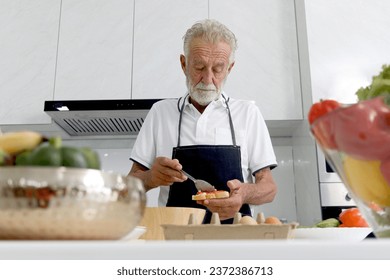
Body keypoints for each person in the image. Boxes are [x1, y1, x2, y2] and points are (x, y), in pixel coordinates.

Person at [128, 19, 278, 224]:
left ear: (230, 68)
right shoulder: (160, 112)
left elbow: (268, 188)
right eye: (199, 67)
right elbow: (127, 186)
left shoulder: (248, 113)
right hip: (175, 238)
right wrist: (150, 178)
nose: (207, 80)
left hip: (236, 239)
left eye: (217, 69)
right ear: (183, 64)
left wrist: (244, 194)